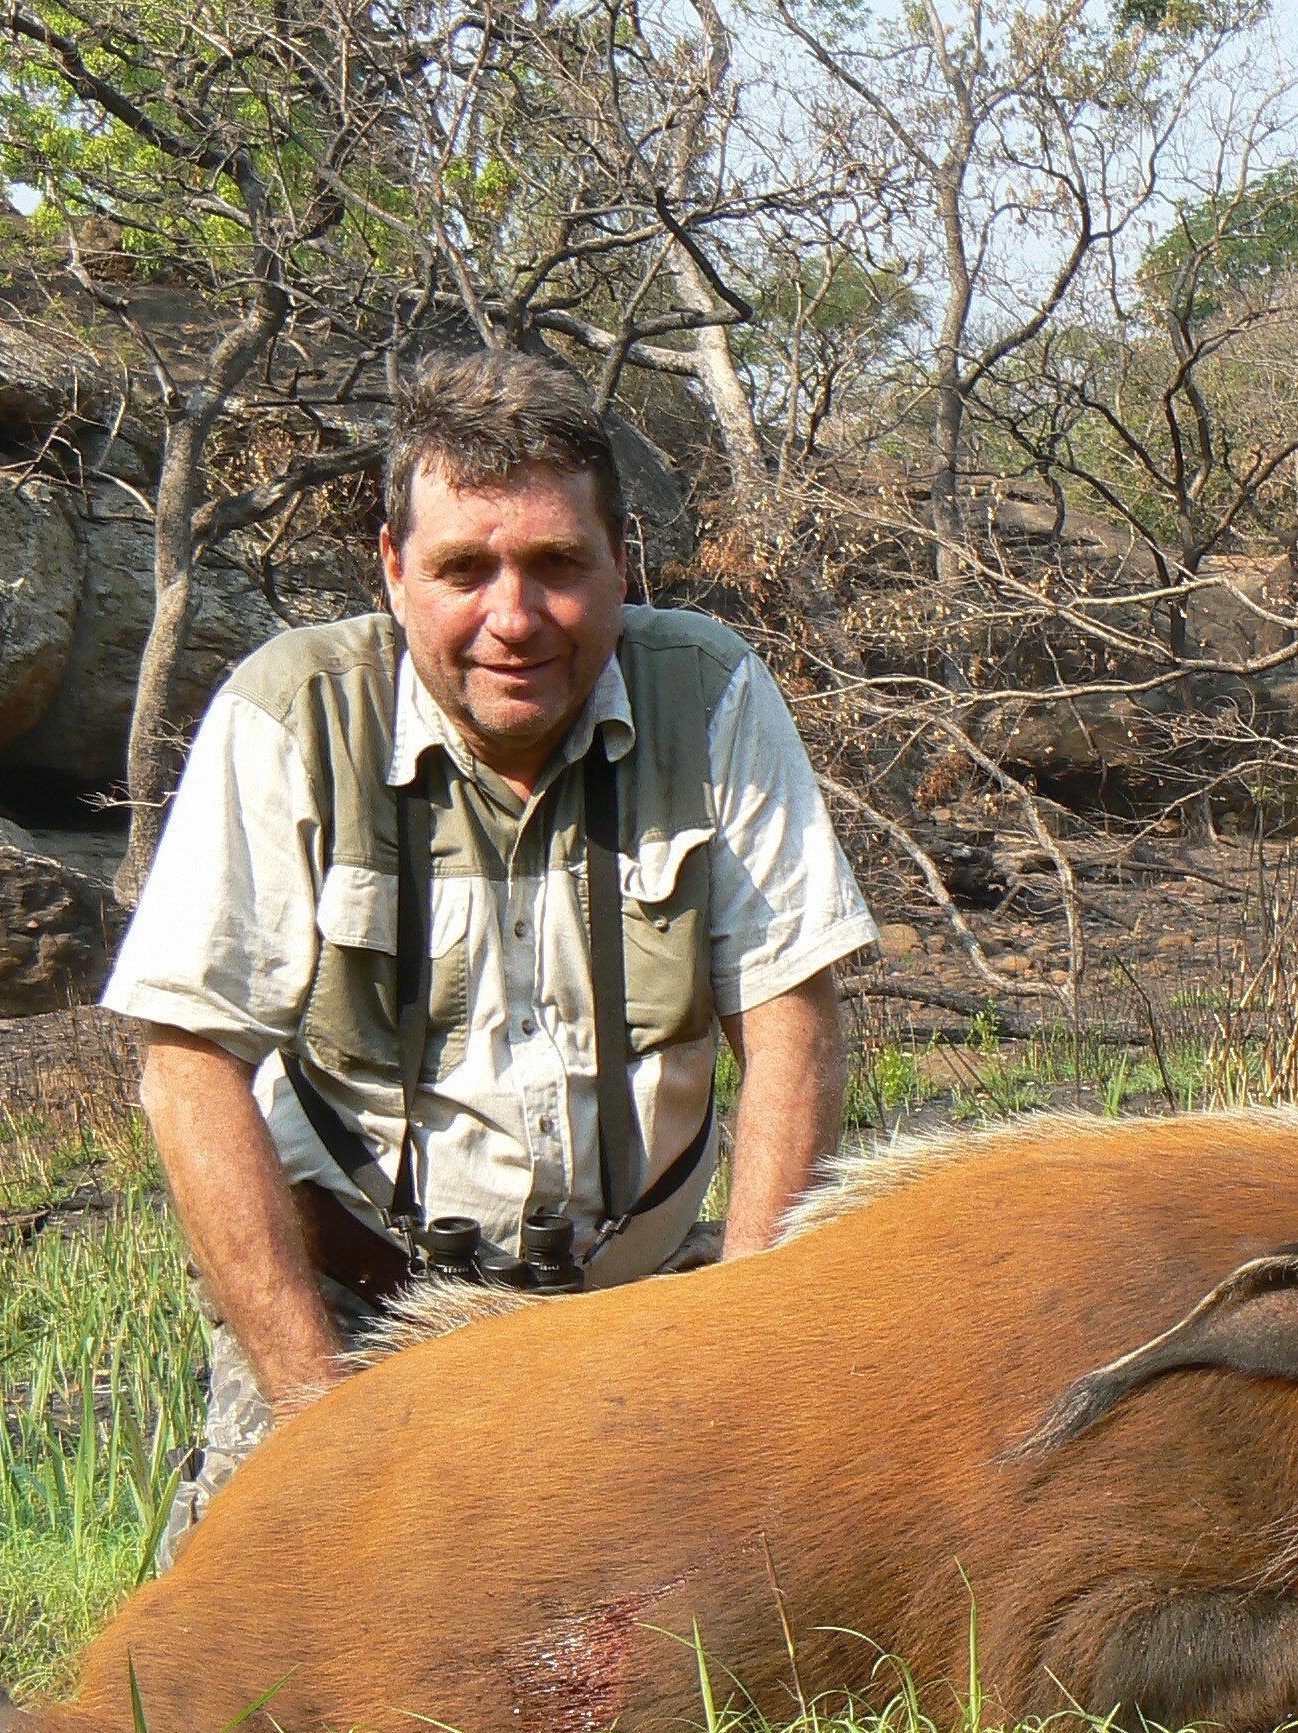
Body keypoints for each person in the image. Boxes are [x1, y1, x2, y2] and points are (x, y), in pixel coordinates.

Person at [103, 349, 877, 1564]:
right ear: (394, 569)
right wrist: (320, 1421)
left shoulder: (711, 691)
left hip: (642, 1314)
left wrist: (744, 1359)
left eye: (557, 565)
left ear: (623, 563)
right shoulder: (289, 710)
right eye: (465, 568)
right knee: (267, 1661)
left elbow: (790, 1014)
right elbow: (187, 1059)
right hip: (365, 1307)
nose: (512, 619)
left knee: (729, 1646)